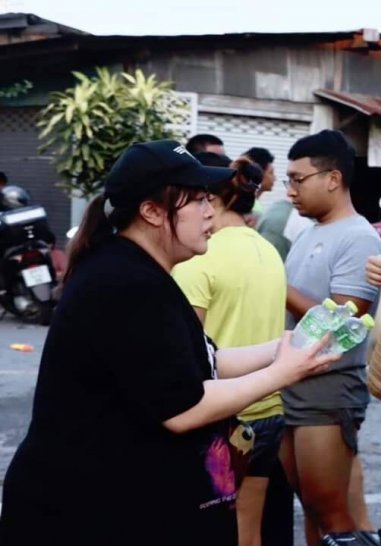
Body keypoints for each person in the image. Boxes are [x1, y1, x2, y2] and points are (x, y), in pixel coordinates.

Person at [0, 140, 336, 545]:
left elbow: (202, 360)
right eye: (196, 200)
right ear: (152, 211)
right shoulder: (125, 283)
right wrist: (283, 372)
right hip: (83, 512)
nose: (211, 211)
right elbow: (183, 406)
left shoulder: (141, 272)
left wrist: (281, 347)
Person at [171, 157, 288, 546]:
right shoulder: (268, 251)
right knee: (248, 531)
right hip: (268, 412)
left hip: (220, 416)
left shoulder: (200, 257)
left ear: (212, 201)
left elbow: (186, 347)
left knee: (204, 529)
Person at [278, 130, 381, 546]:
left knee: (329, 508)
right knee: (312, 505)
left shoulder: (359, 238)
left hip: (329, 385)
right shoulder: (307, 233)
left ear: (333, 179)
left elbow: (343, 321)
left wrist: (277, 283)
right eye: (287, 180)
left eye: (298, 180)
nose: (290, 191)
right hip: (293, 380)